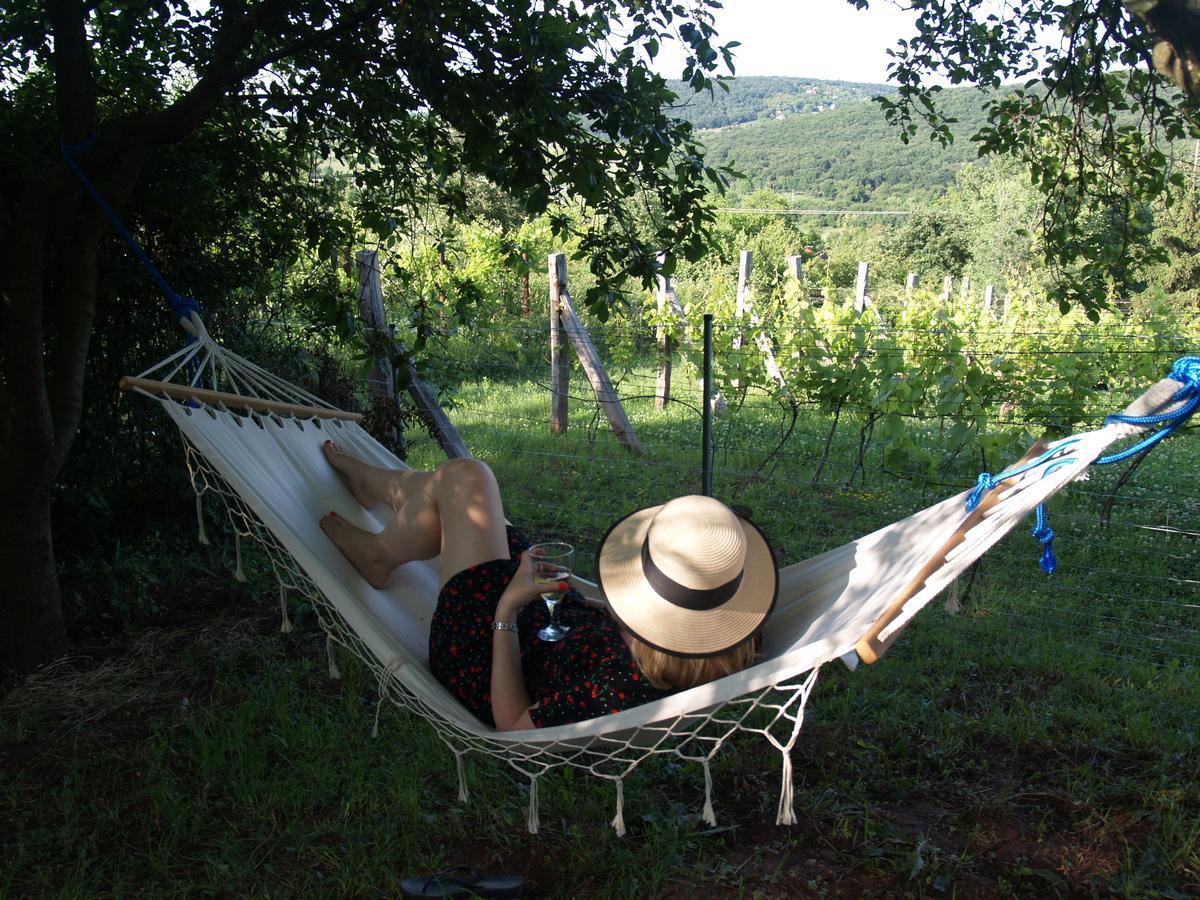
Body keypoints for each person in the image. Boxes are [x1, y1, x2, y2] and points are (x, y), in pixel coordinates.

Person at [319, 443, 778, 731]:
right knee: (460, 486)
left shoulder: (614, 688)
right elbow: (683, 608)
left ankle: (379, 552)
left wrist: (508, 608)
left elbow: (514, 727)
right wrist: (609, 606)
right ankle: (376, 486)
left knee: (465, 480)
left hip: (486, 647)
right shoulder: (722, 636)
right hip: (549, 612)